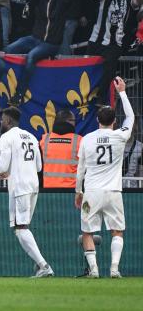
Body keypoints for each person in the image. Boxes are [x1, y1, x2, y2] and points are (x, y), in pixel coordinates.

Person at [0, 106, 54, 277]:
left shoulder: (6, 137)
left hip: (20, 187)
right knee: (22, 227)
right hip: (33, 185)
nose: (1, 122)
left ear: (8, 121)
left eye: (2, 119)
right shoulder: (31, 136)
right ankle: (41, 265)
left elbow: (2, 165)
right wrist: (12, 170)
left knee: (20, 228)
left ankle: (44, 265)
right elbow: (38, 166)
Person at [75, 77, 134, 278]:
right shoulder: (121, 135)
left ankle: (94, 270)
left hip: (91, 192)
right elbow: (131, 117)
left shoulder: (87, 139)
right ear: (114, 121)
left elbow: (80, 168)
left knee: (87, 232)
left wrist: (78, 191)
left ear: (98, 120)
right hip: (114, 192)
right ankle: (114, 269)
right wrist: (123, 92)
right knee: (117, 231)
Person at [5, 0, 77, 105]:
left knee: (31, 56)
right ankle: (3, 82)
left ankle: (19, 94)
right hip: (34, 38)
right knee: (8, 49)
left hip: (51, 44)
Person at [83, 0, 141, 105]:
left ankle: (100, 98)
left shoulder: (128, 1)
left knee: (109, 68)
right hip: (95, 40)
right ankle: (84, 97)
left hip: (115, 43)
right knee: (88, 69)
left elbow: (139, 2)